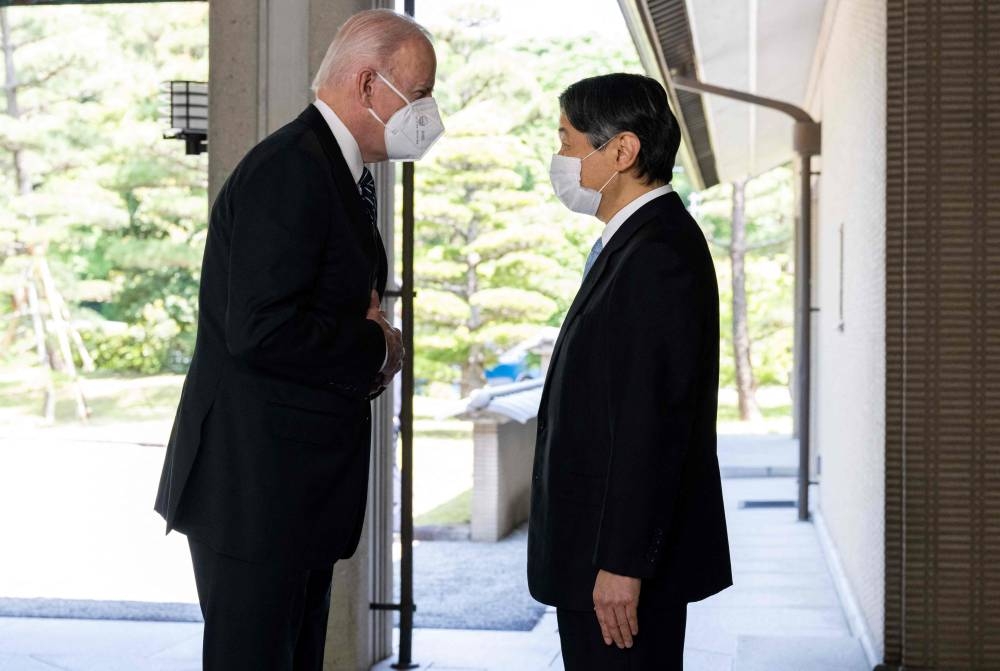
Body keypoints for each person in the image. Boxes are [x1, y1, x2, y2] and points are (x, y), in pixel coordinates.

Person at [152, 10, 442, 670]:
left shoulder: (337, 172)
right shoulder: (290, 169)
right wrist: (376, 348)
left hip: (293, 493)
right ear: (369, 86)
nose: (427, 110)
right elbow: (261, 330)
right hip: (255, 493)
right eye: (420, 92)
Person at [527, 73, 732, 670]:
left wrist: (623, 562)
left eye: (567, 141)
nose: (560, 158)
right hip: (601, 559)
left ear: (621, 151)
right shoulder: (636, 242)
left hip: (618, 571)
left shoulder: (657, 255)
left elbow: (652, 422)